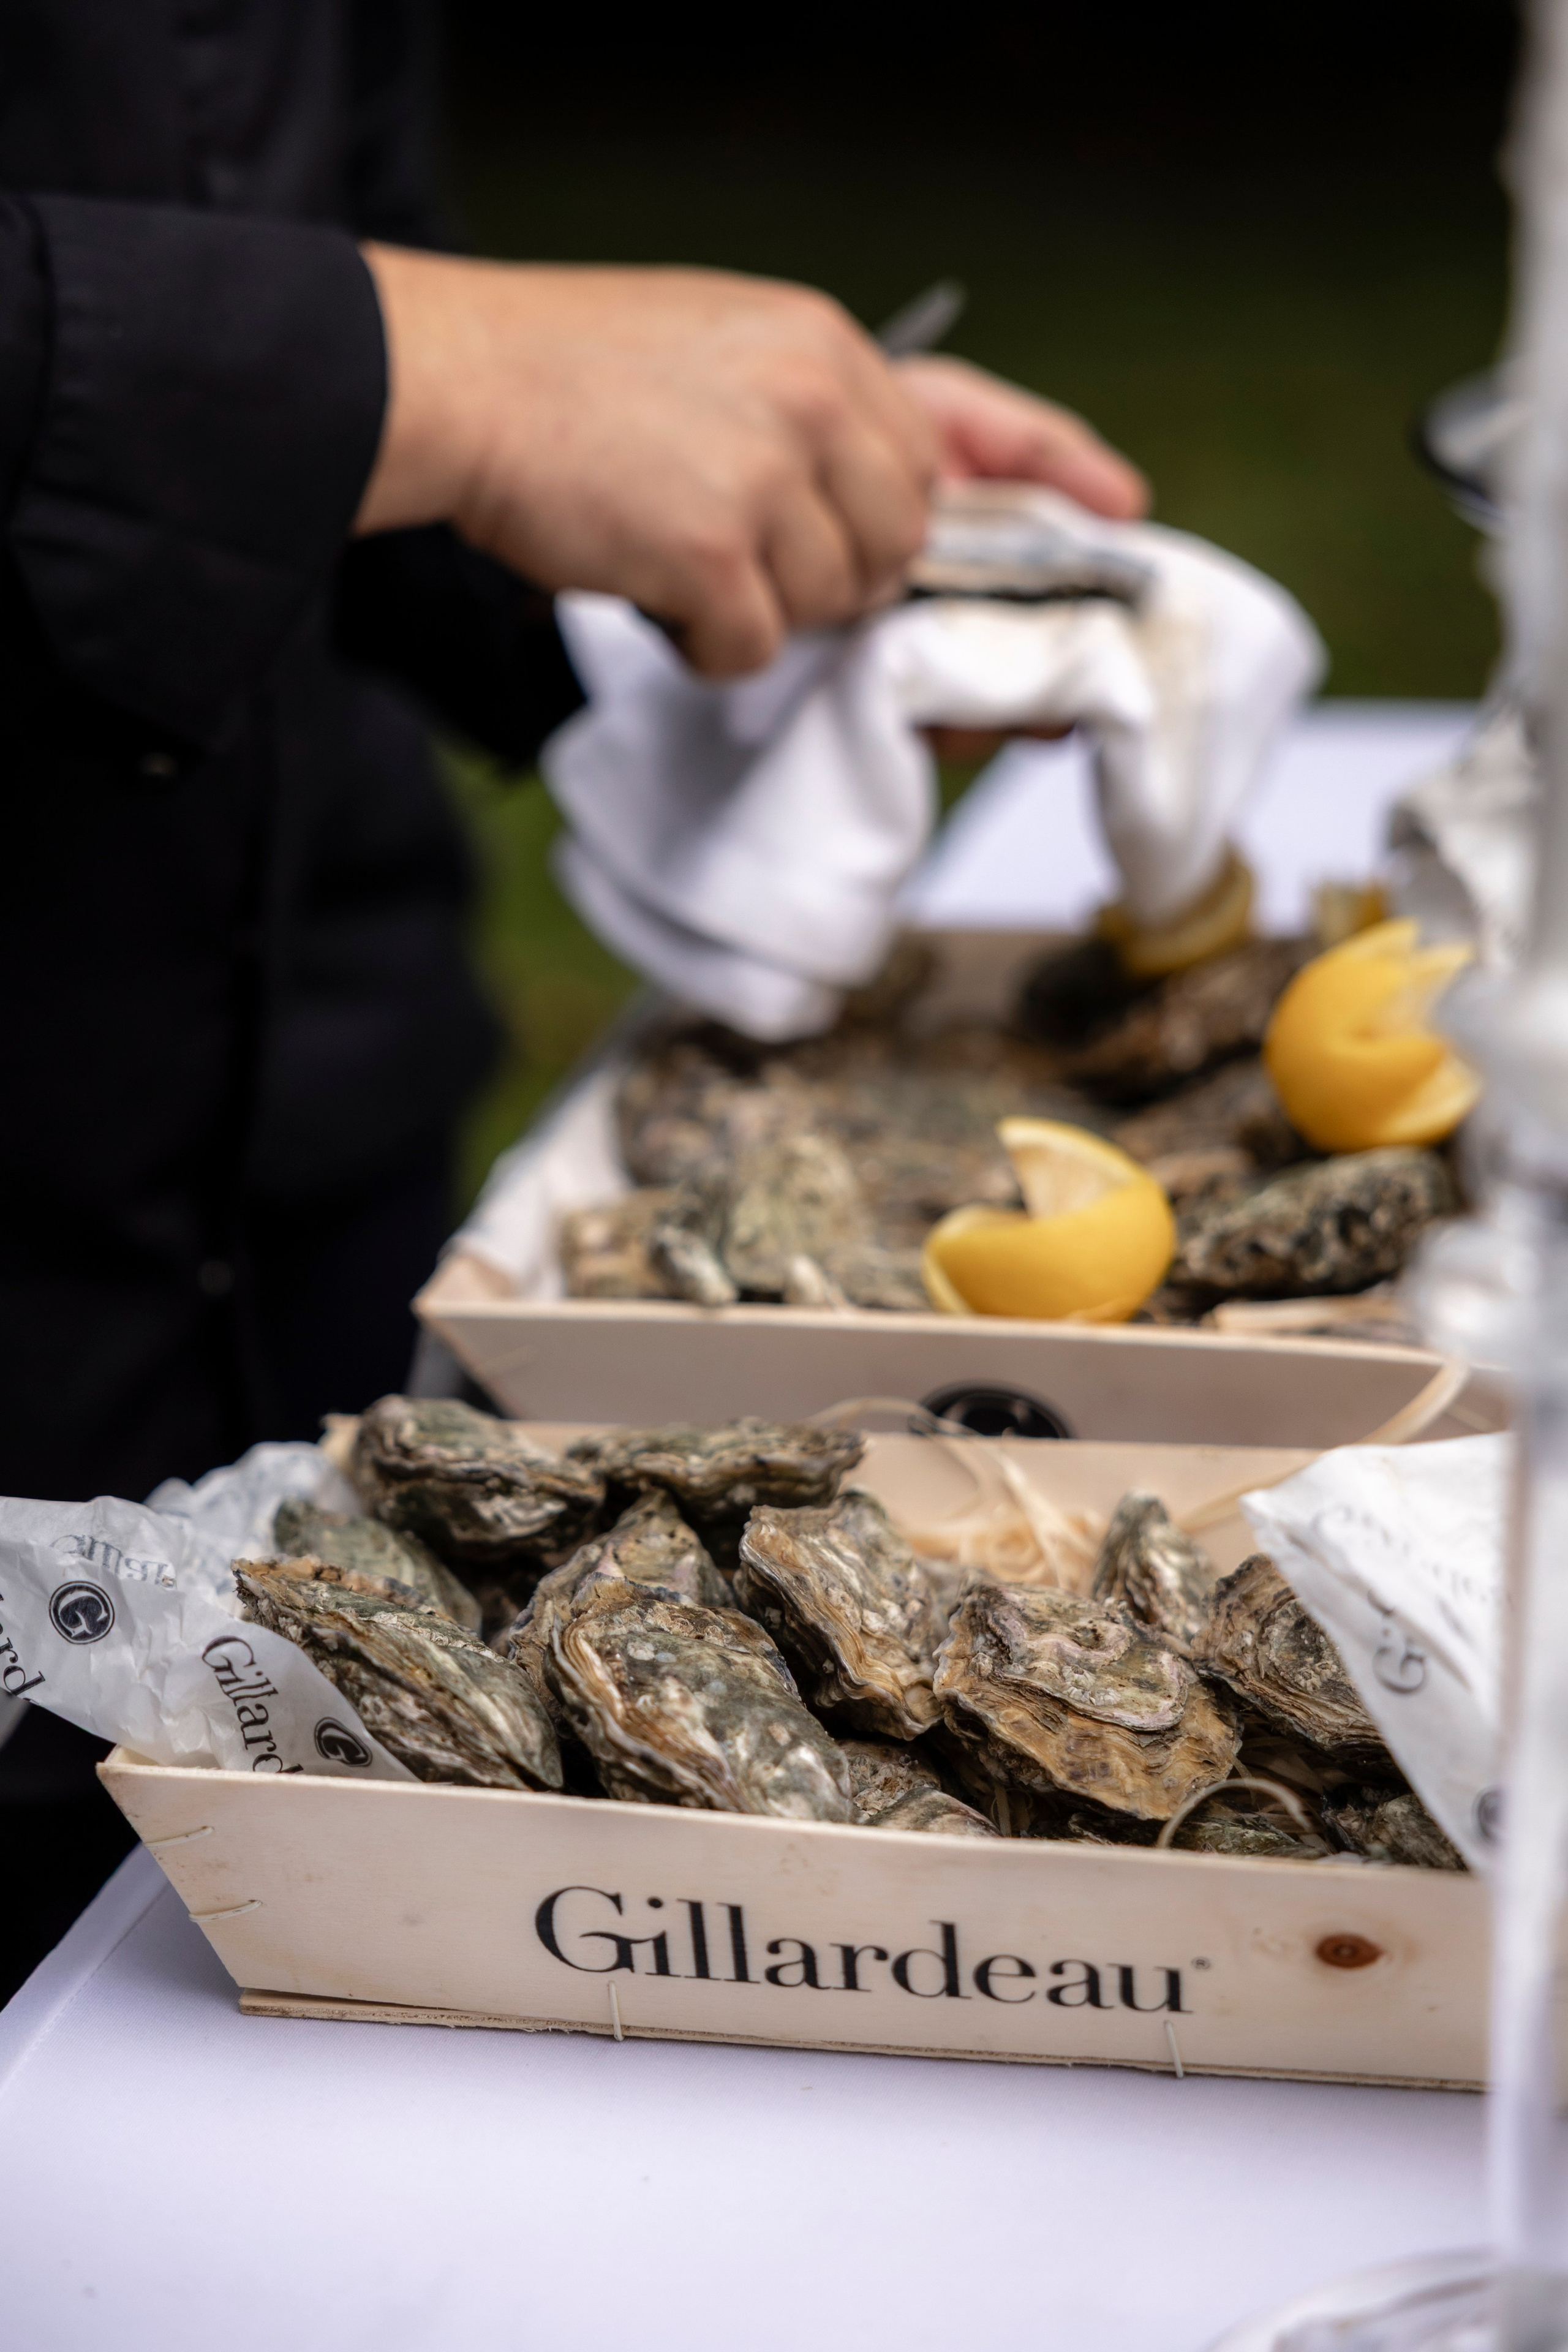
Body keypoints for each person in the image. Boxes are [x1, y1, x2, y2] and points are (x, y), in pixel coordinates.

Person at [0, 1, 1146, 1997]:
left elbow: (289, 243)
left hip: (330, 1208)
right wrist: (419, 364)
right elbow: (367, 342)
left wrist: (727, 567)